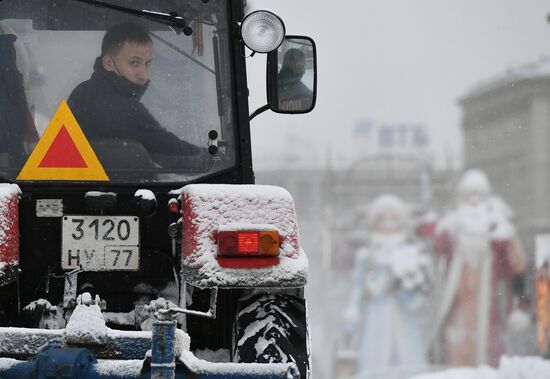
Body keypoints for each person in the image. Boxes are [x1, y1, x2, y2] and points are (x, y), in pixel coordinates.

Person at [67, 22, 203, 169]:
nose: (143, 73)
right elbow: (169, 150)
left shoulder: (82, 92)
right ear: (108, 63)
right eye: (134, 62)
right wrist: (210, 159)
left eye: (148, 63)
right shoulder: (124, 108)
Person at [432, 169, 527, 367]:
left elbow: (517, 269)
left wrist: (520, 306)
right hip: (458, 305)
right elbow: (436, 248)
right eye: (469, 196)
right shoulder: (452, 228)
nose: (474, 201)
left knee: (489, 349)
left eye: (479, 196)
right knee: (455, 347)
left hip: (490, 302)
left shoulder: (499, 230)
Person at [341, 194, 431, 378]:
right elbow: (359, 286)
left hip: (402, 313)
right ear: (375, 223)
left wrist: (409, 291)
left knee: (407, 353)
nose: (389, 224)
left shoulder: (409, 253)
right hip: (376, 313)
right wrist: (353, 309)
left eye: (394, 219)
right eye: (383, 219)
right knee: (376, 354)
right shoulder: (367, 255)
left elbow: (416, 290)